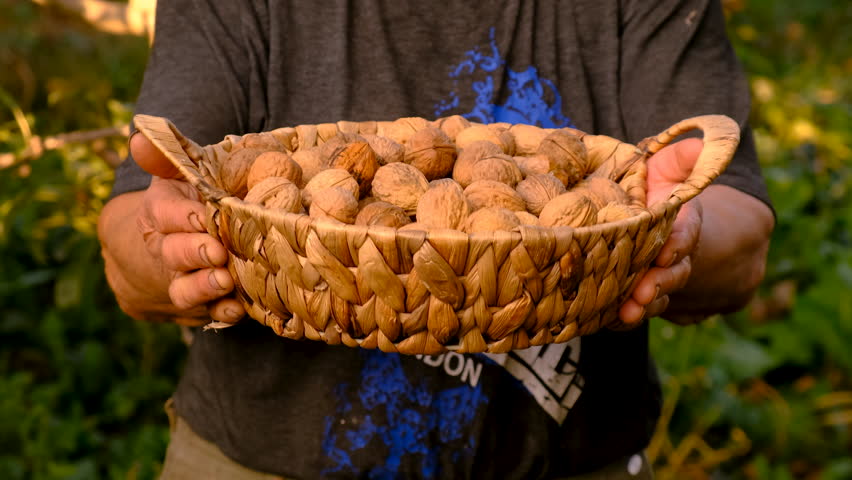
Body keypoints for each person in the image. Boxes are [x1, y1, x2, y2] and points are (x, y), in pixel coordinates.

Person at [97, 0, 775, 478]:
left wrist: (679, 228)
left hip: (571, 464)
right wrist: (171, 249)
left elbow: (739, 234)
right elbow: (132, 236)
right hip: (255, 463)